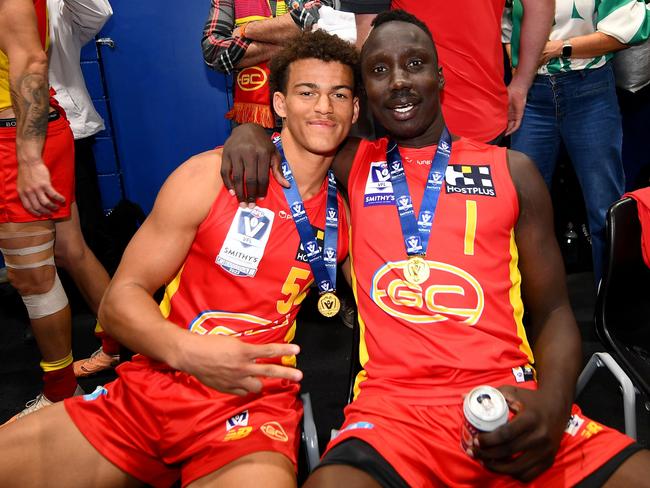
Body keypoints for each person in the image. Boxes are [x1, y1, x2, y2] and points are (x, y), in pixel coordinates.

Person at [220, 10, 650, 486]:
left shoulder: (514, 171)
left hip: (507, 395)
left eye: (415, 63)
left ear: (439, 76)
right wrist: (252, 132)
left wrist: (551, 406)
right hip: (392, 411)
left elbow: (551, 313)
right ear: (362, 97)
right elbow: (298, 135)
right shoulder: (350, 164)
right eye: (379, 70)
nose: (399, 81)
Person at [0, 29, 359, 487]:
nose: (324, 107)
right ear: (281, 105)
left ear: (355, 110)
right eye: (307, 92)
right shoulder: (209, 177)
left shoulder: (348, 215)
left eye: (339, 94)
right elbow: (119, 300)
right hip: (157, 385)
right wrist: (192, 353)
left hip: (252, 407)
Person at [503, 0, 650, 284]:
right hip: (531, 94)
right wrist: (519, 65)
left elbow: (630, 30)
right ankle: (522, 308)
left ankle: (611, 310)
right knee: (521, 210)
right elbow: (506, 28)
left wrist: (559, 48)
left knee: (604, 208)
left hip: (589, 89)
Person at [0, 0, 83, 421]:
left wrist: (29, 159)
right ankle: (122, 348)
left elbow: (31, 58)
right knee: (73, 253)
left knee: (32, 276)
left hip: (14, 136)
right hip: (19, 135)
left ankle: (61, 393)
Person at [47, 0, 119, 377]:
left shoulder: (57, 5)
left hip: (61, 131)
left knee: (81, 239)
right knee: (40, 251)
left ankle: (120, 335)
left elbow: (98, 13)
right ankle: (52, 330)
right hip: (14, 138)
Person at [391, 0, 554, 143]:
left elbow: (368, 26)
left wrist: (521, 85)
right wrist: (521, 84)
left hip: (408, 110)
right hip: (477, 109)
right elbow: (540, 5)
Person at [201, 0, 332, 129]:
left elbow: (317, 17)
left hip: (313, 109)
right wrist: (291, 42)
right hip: (254, 120)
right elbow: (213, 50)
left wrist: (246, 30)